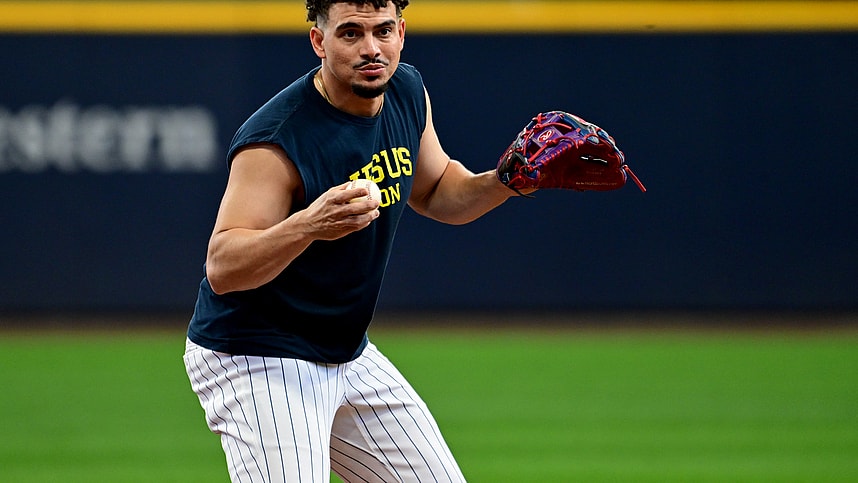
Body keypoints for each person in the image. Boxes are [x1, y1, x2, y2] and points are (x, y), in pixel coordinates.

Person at [183, 0, 522, 480]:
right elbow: (223, 267)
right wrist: (307, 224)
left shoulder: (406, 90)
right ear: (319, 41)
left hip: (346, 351)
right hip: (257, 354)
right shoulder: (279, 137)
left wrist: (508, 179)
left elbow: (439, 190)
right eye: (350, 34)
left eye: (383, 31)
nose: (371, 49)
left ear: (401, 33)